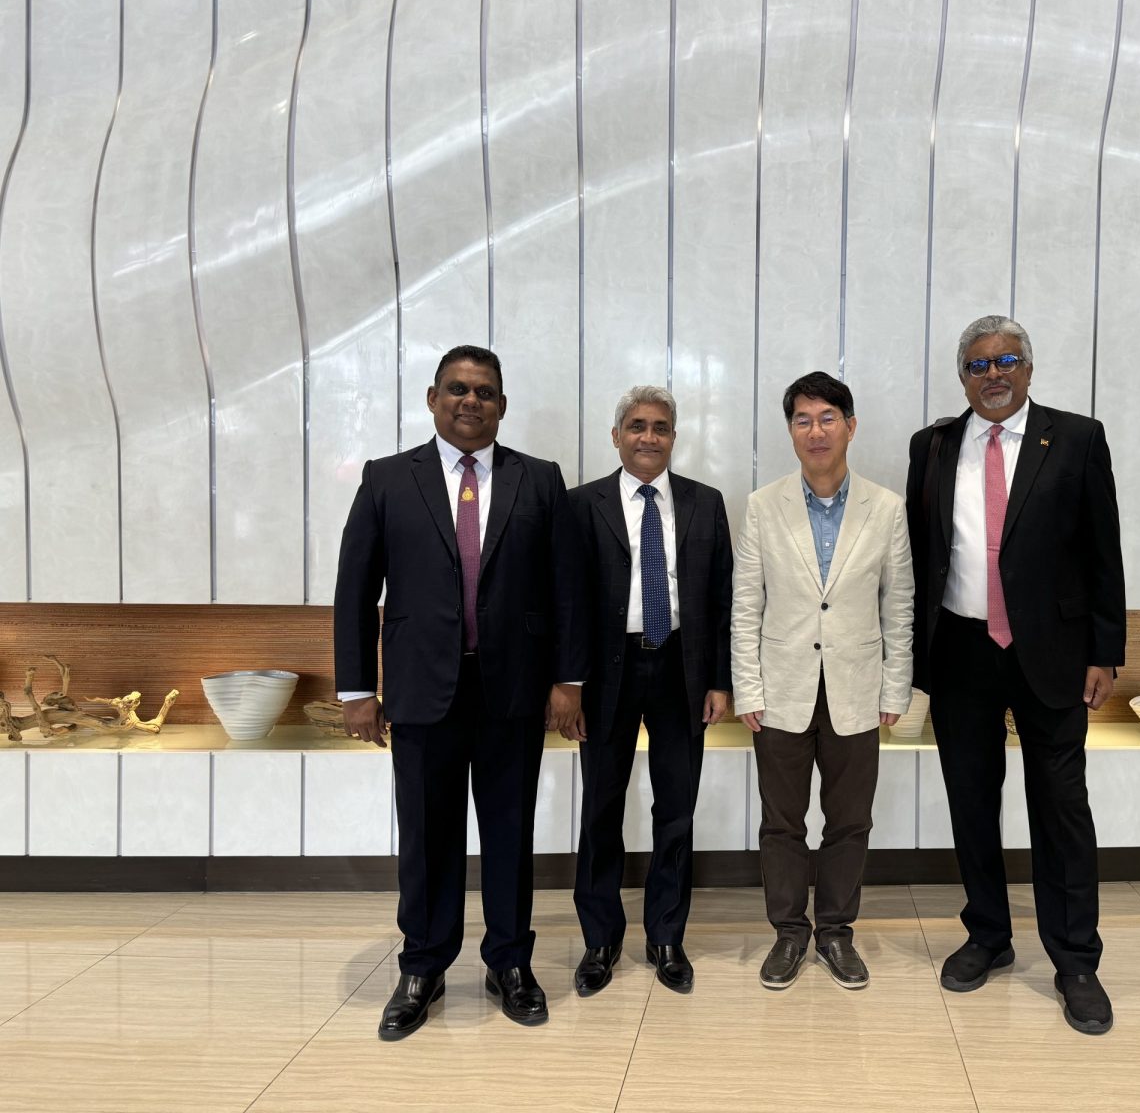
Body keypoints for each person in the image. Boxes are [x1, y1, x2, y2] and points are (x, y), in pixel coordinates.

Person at [333, 345, 588, 1040]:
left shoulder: (539, 480)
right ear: (432, 398)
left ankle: (510, 962)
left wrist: (568, 680)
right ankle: (423, 965)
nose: (470, 401)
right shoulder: (388, 479)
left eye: (484, 392)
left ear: (502, 405)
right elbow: (356, 589)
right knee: (427, 834)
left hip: (514, 689)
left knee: (509, 833)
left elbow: (566, 589)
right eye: (457, 389)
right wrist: (356, 689)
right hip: (421, 688)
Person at [905, 314, 1126, 1034]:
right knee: (971, 801)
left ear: (1028, 368)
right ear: (962, 376)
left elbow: (1103, 551)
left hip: (1053, 652)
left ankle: (1076, 961)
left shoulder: (1078, 438)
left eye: (1006, 361)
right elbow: (921, 552)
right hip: (961, 650)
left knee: (1060, 807)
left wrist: (1105, 650)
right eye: (978, 364)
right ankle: (988, 935)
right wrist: (912, 658)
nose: (993, 374)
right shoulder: (933, 446)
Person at [732, 371, 914, 990]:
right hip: (780, 689)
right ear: (791, 432)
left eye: (828, 418)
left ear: (850, 427)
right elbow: (746, 605)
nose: (816, 431)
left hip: (856, 689)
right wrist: (748, 687)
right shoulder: (763, 505)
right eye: (803, 420)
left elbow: (898, 607)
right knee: (782, 823)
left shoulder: (886, 508)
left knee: (849, 822)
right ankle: (788, 932)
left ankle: (836, 931)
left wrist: (895, 688)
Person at [563, 386, 733, 997]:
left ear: (674, 438)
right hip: (606, 673)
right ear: (616, 436)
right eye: (636, 426)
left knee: (676, 810)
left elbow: (722, 597)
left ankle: (666, 936)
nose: (648, 437)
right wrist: (569, 684)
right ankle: (600, 939)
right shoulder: (581, 504)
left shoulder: (705, 503)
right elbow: (567, 601)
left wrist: (721, 681)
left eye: (660, 427)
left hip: (682, 669)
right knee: (600, 808)